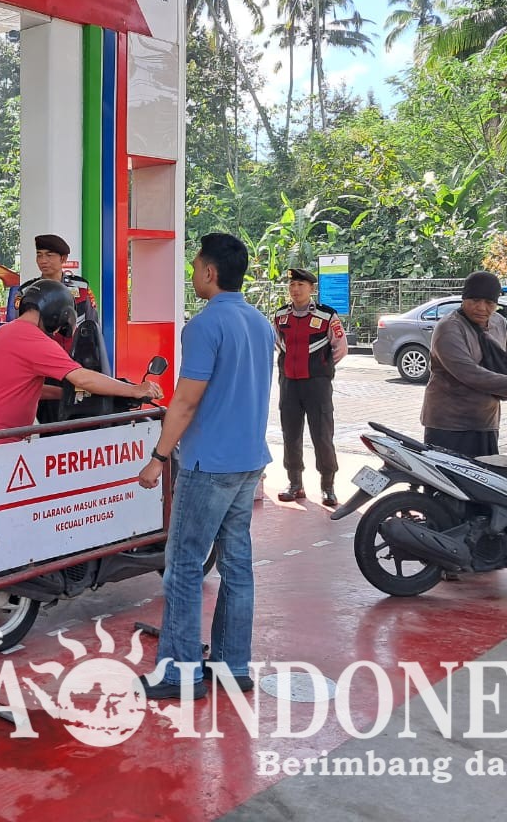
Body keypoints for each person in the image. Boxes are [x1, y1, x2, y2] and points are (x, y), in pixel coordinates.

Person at [137, 233, 275, 700]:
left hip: (208, 463)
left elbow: (185, 401)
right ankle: (233, 665)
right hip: (249, 461)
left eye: (195, 267)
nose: (193, 274)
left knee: (183, 565)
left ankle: (179, 674)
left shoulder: (203, 326)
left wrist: (158, 457)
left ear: (210, 272)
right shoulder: (260, 323)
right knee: (237, 565)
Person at [0, 279, 160, 455]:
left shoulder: (6, 331)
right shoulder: (33, 338)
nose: (56, 332)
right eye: (60, 325)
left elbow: (23, 387)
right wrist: (134, 389)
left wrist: (67, 394)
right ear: (56, 315)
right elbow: (82, 378)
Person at [421, 270, 507, 457]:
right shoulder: (449, 328)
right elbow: (470, 374)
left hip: (485, 422)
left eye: (489, 303)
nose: (481, 308)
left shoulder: (499, 322)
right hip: (449, 425)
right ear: (464, 299)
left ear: (496, 304)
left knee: (485, 473)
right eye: (475, 300)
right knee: (448, 475)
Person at [273, 268, 348, 507]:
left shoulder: (327, 315)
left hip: (317, 385)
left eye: (301, 285)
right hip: (289, 384)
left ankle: (328, 486)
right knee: (290, 434)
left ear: (312, 289)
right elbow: (277, 344)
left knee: (322, 435)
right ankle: (295, 483)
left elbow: (340, 347)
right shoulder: (280, 315)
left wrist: (321, 367)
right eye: (292, 285)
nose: (295, 289)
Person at [14, 233, 99, 333]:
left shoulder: (81, 287)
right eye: (39, 255)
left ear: (63, 258)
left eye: (49, 255)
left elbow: (93, 323)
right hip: (40, 342)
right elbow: (17, 326)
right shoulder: (27, 291)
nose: (43, 261)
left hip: (75, 342)